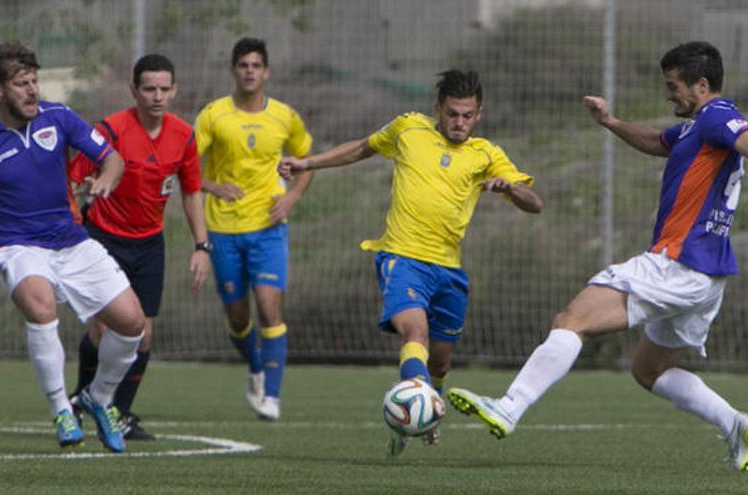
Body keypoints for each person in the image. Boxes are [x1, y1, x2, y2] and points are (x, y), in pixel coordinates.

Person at [446, 41, 748, 472]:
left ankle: (509, 407)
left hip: (676, 263)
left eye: (673, 86)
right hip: (706, 279)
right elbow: (657, 141)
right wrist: (609, 122)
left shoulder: (719, 116)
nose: (668, 95)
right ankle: (734, 423)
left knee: (572, 320)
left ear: (702, 84)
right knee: (649, 370)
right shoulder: (697, 127)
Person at [279, 69, 544, 456]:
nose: (459, 122)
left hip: (448, 270)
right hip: (401, 257)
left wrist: (511, 188)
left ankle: (425, 405)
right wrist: (309, 164)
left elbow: (535, 204)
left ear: (479, 114)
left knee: (440, 362)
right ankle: (410, 412)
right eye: (452, 113)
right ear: (437, 108)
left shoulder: (486, 154)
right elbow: (362, 148)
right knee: (414, 334)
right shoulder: (408, 129)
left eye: (467, 115)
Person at [0, 41, 148, 453]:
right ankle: (61, 408)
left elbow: (111, 158)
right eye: (22, 84)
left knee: (133, 323)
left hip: (71, 241)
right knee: (40, 307)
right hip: (15, 246)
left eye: (35, 81)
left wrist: (107, 178)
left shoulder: (60, 118)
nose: (33, 90)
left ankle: (99, 398)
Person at [67, 54, 210, 441]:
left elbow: (193, 192)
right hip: (102, 240)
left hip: (149, 244)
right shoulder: (110, 130)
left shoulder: (184, 135)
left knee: (143, 335)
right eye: (149, 88)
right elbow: (73, 178)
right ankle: (83, 399)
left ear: (175, 90)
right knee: (104, 328)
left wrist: (202, 246)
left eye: (165, 89)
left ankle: (119, 412)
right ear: (134, 91)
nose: (157, 96)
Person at [194, 37, 314, 421]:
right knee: (238, 318)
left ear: (266, 72)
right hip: (223, 227)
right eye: (243, 65)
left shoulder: (285, 117)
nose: (249, 71)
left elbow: (306, 162)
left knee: (268, 306)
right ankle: (256, 365)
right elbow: (186, 167)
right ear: (234, 71)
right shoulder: (213, 115)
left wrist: (292, 197)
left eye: (256, 65)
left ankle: (272, 399)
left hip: (268, 226)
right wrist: (212, 186)